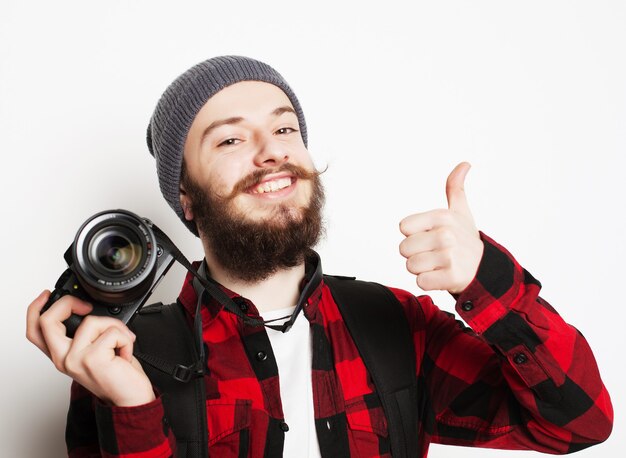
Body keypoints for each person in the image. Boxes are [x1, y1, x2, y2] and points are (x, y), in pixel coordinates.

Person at [26, 56, 613, 458]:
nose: (270, 154)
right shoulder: (119, 358)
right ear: (185, 194)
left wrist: (486, 282)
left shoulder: (397, 326)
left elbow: (577, 422)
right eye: (231, 139)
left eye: (285, 130)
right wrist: (131, 405)